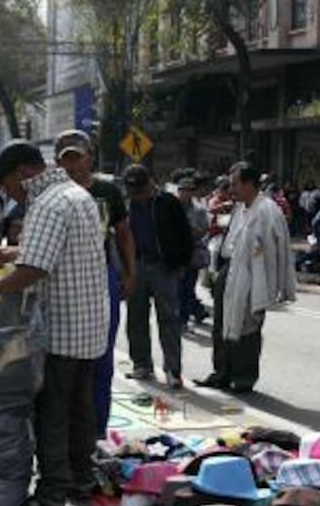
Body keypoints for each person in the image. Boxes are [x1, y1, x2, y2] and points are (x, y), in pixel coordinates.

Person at [0, 140, 109, 506]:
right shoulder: (76, 194)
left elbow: (34, 270)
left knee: (52, 412)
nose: (11, 196)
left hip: (62, 328)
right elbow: (61, 251)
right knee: (80, 407)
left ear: (23, 174)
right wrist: (15, 252)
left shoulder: (47, 204)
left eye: (8, 187)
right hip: (89, 325)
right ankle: (81, 478)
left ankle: (51, 495)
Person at [55, 129, 135, 440]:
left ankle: (97, 430)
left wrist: (129, 274)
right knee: (65, 361)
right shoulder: (52, 194)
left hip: (102, 280)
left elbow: (124, 235)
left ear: (90, 157)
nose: (72, 165)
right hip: (63, 283)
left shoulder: (107, 191)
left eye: (78, 157)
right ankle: (67, 430)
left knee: (102, 358)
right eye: (66, 159)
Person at [196, 162, 296, 394]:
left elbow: (276, 251)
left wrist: (271, 285)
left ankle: (244, 377)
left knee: (248, 329)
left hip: (254, 277)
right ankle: (222, 372)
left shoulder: (268, 211)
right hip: (229, 271)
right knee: (222, 324)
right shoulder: (239, 209)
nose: (231, 189)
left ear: (250, 184)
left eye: (235, 184)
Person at [123, 164, 193, 388]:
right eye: (133, 190)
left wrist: (181, 264)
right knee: (136, 318)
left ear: (150, 183)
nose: (137, 195)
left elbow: (185, 234)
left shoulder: (168, 202)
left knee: (169, 319)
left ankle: (172, 370)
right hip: (136, 266)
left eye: (140, 189)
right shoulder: (126, 205)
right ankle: (141, 364)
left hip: (164, 268)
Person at [177, 177, 210, 326]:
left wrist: (189, 229)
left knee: (188, 287)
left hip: (192, 254)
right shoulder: (172, 207)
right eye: (183, 190)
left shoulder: (199, 210)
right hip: (175, 254)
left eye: (189, 190)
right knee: (177, 288)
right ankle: (194, 312)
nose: (186, 193)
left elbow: (203, 231)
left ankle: (184, 318)